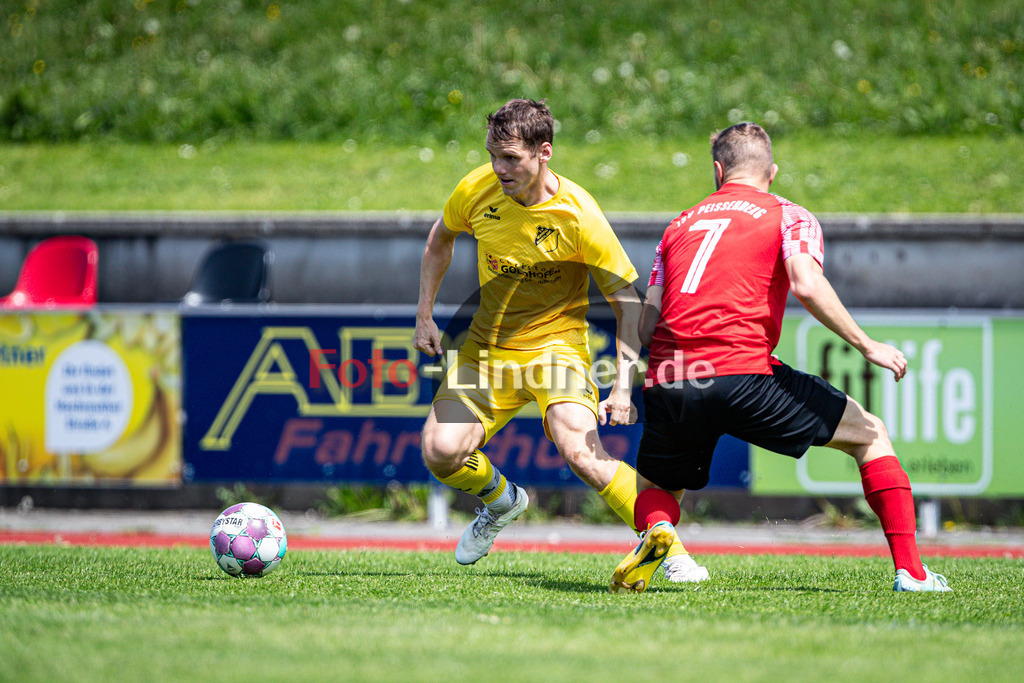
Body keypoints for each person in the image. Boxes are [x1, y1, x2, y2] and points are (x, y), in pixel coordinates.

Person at [609, 122, 951, 594]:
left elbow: (644, 323)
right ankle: (912, 573)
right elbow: (807, 285)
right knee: (869, 434)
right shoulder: (788, 213)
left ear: (717, 169)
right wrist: (868, 345)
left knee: (653, 491)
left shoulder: (678, 225)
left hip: (670, 378)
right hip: (742, 373)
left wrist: (622, 388)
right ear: (771, 171)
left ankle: (660, 531)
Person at [414, 98, 707, 581]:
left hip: (557, 350)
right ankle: (501, 501)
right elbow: (438, 241)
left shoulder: (579, 214)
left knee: (580, 447)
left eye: (511, 158)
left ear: (543, 152)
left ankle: (672, 552)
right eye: (492, 155)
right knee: (440, 451)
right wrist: (425, 314)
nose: (498, 168)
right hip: (486, 352)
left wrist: (623, 387)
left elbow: (626, 303)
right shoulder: (476, 190)